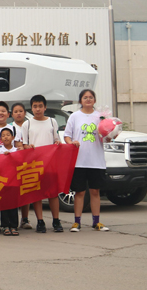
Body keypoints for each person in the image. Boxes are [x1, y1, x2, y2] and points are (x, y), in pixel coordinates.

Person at [64, 89, 110, 233]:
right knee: (80, 192)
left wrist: (110, 133)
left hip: (96, 160)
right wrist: (72, 142)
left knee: (95, 191)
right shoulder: (75, 117)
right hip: (79, 161)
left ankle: (96, 222)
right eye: (85, 97)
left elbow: (107, 136)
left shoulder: (101, 117)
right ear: (80, 101)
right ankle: (77, 222)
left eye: (91, 97)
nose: (88, 100)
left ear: (94, 100)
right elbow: (67, 136)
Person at [22, 95, 63, 233]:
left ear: (45, 107)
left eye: (40, 106)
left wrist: (57, 143)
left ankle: (56, 221)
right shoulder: (27, 124)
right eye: (35, 106)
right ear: (31, 108)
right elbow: (24, 145)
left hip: (51, 163)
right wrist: (27, 147)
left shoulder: (52, 122)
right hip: (34, 164)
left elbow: (57, 141)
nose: (38, 109)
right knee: (37, 194)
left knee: (53, 193)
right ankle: (40, 221)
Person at [0, 128, 20, 236]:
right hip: (3, 181)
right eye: (3, 135)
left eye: (8, 135)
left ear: (13, 137)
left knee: (14, 204)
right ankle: (5, 225)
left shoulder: (17, 151)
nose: (6, 137)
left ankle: (14, 226)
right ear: (0, 139)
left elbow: (20, 163)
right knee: (4, 204)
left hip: (14, 180)